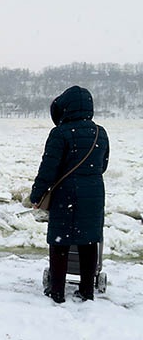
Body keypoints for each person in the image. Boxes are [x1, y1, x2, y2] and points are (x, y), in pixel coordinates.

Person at [30, 86, 109, 304]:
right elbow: (103, 165)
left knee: (60, 242)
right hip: (94, 193)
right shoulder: (100, 133)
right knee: (89, 241)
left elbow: (48, 169)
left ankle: (56, 291)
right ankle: (86, 291)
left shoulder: (60, 133)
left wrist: (36, 196)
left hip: (66, 195)